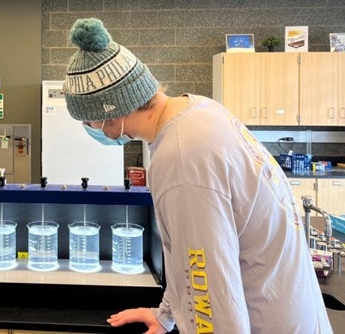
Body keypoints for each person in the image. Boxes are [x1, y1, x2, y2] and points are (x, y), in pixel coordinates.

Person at [62, 18, 332, 334]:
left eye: (90, 122)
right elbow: (193, 257)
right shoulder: (200, 112)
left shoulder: (182, 159)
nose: (93, 130)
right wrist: (167, 313)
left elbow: (212, 293)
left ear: (112, 112)